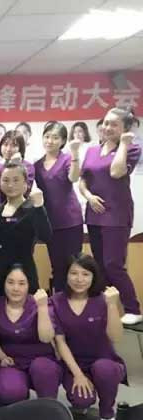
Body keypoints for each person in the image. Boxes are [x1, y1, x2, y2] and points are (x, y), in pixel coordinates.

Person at [79, 107, 142, 325]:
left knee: (113, 264)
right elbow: (82, 180)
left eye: (114, 124)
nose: (107, 128)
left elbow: (116, 172)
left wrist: (123, 144)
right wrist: (89, 197)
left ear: (125, 128)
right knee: (99, 266)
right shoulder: (92, 151)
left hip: (116, 215)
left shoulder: (132, 149)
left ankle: (133, 308)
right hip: (94, 214)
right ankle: (105, 308)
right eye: (106, 123)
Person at [51, 254, 126, 420]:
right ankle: (85, 395)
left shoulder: (104, 300)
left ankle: (107, 414)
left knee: (104, 370)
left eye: (85, 274)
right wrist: (78, 375)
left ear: (94, 277)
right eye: (74, 273)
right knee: (82, 400)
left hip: (104, 360)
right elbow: (60, 342)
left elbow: (116, 336)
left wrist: (112, 306)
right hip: (74, 364)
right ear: (66, 275)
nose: (79, 279)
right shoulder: (56, 301)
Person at [0, 265, 61, 405]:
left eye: (21, 283)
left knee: (43, 370)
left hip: (41, 360)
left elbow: (46, 337)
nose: (16, 288)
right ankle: (18, 392)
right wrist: (2, 356)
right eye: (10, 282)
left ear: (29, 284)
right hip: (13, 362)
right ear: (4, 283)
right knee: (10, 393)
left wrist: (42, 308)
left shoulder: (40, 303)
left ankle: (47, 407)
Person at [34, 121, 83, 293]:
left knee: (74, 265)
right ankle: (60, 302)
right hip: (50, 223)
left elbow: (74, 177)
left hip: (70, 221)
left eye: (55, 138)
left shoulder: (67, 159)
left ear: (62, 141)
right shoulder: (37, 164)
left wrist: (75, 153)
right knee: (57, 267)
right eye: (47, 136)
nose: (50, 141)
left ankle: (76, 301)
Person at [0, 163, 52, 293]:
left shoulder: (33, 208)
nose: (10, 185)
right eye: (6, 180)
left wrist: (39, 207)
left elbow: (45, 236)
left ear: (26, 183)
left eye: (16, 180)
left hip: (24, 272)